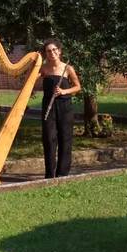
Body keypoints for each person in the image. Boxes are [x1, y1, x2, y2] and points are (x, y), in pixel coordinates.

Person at [40, 38, 82, 178]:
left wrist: (64, 91)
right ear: (45, 53)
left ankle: (62, 174)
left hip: (65, 107)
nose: (52, 53)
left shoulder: (67, 68)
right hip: (48, 106)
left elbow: (77, 87)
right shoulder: (43, 68)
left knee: (65, 139)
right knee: (49, 138)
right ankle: (49, 174)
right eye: (48, 51)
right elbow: (30, 80)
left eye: (54, 50)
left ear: (59, 51)